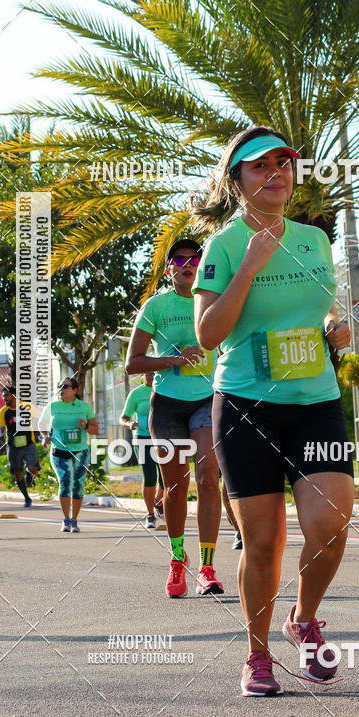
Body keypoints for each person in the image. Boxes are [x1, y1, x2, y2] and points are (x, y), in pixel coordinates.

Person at [192, 126, 354, 696]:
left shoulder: (313, 239)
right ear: (236, 181)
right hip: (245, 407)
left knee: (330, 525)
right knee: (264, 542)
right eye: (260, 166)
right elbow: (209, 334)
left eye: (284, 163)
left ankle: (304, 620)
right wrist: (249, 267)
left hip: (316, 402)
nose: (276, 173)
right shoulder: (225, 246)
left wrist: (335, 329)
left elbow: (320, 309)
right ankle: (256, 655)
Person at [126, 239, 224, 598]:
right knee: (176, 488)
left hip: (206, 401)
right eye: (180, 259)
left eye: (195, 258)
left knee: (208, 479)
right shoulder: (157, 306)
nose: (188, 263)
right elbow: (132, 363)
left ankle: (208, 567)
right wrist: (173, 359)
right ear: (169, 269)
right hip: (166, 404)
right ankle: (178, 560)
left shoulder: (215, 301)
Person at [38, 377, 98, 533]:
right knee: (65, 482)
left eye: (65, 386)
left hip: (80, 451)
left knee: (78, 485)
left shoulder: (84, 407)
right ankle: (65, 519)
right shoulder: (52, 406)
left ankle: (74, 519)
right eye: (59, 387)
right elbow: (41, 424)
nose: (61, 389)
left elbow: (95, 429)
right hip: (59, 451)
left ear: (75, 390)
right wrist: (45, 435)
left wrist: (85, 426)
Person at [119, 371, 163, 529]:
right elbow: (123, 417)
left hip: (164, 437)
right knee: (150, 476)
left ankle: (158, 501)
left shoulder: (165, 388)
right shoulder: (136, 393)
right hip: (143, 437)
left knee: (166, 478)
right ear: (143, 375)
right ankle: (150, 515)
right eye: (147, 373)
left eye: (154, 373)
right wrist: (130, 424)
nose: (151, 376)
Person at [0, 385, 40, 508]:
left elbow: (40, 417)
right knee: (17, 473)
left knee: (33, 468)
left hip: (28, 443)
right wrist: (1, 430)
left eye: (7, 395)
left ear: (14, 395)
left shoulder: (26, 407)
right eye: (3, 396)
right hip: (13, 446)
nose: (4, 398)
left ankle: (29, 472)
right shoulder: (3, 411)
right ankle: (27, 498)